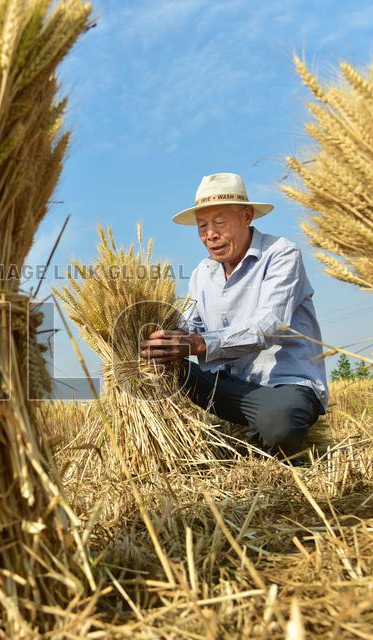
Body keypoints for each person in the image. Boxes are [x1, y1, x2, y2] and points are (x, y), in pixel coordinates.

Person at [140, 172, 328, 462]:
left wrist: (199, 344)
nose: (210, 234)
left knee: (279, 423)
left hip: (283, 386)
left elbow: (269, 327)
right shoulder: (204, 272)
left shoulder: (281, 254)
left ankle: (265, 434)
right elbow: (190, 324)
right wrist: (167, 340)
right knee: (167, 369)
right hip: (227, 387)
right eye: (202, 226)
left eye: (219, 222)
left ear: (247, 216)